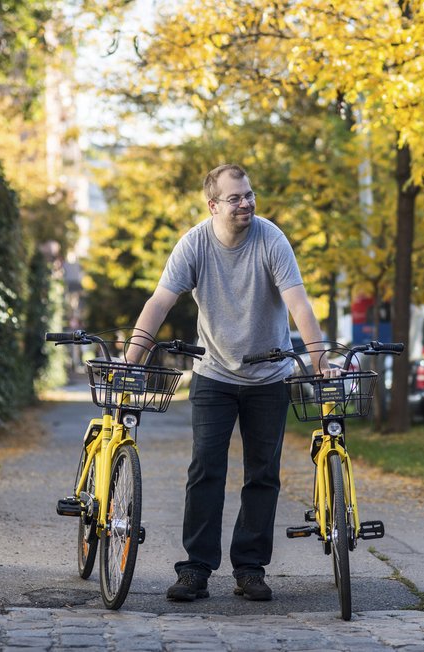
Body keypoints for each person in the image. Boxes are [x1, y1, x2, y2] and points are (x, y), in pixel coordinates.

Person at [125, 163, 332, 603]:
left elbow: (299, 304)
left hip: (269, 375)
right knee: (205, 469)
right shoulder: (194, 244)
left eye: (250, 195)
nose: (247, 204)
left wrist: (319, 360)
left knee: (262, 475)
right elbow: (159, 301)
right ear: (213, 204)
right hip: (214, 374)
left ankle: (250, 568)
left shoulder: (271, 239)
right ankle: (196, 568)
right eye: (236, 197)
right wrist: (132, 360)